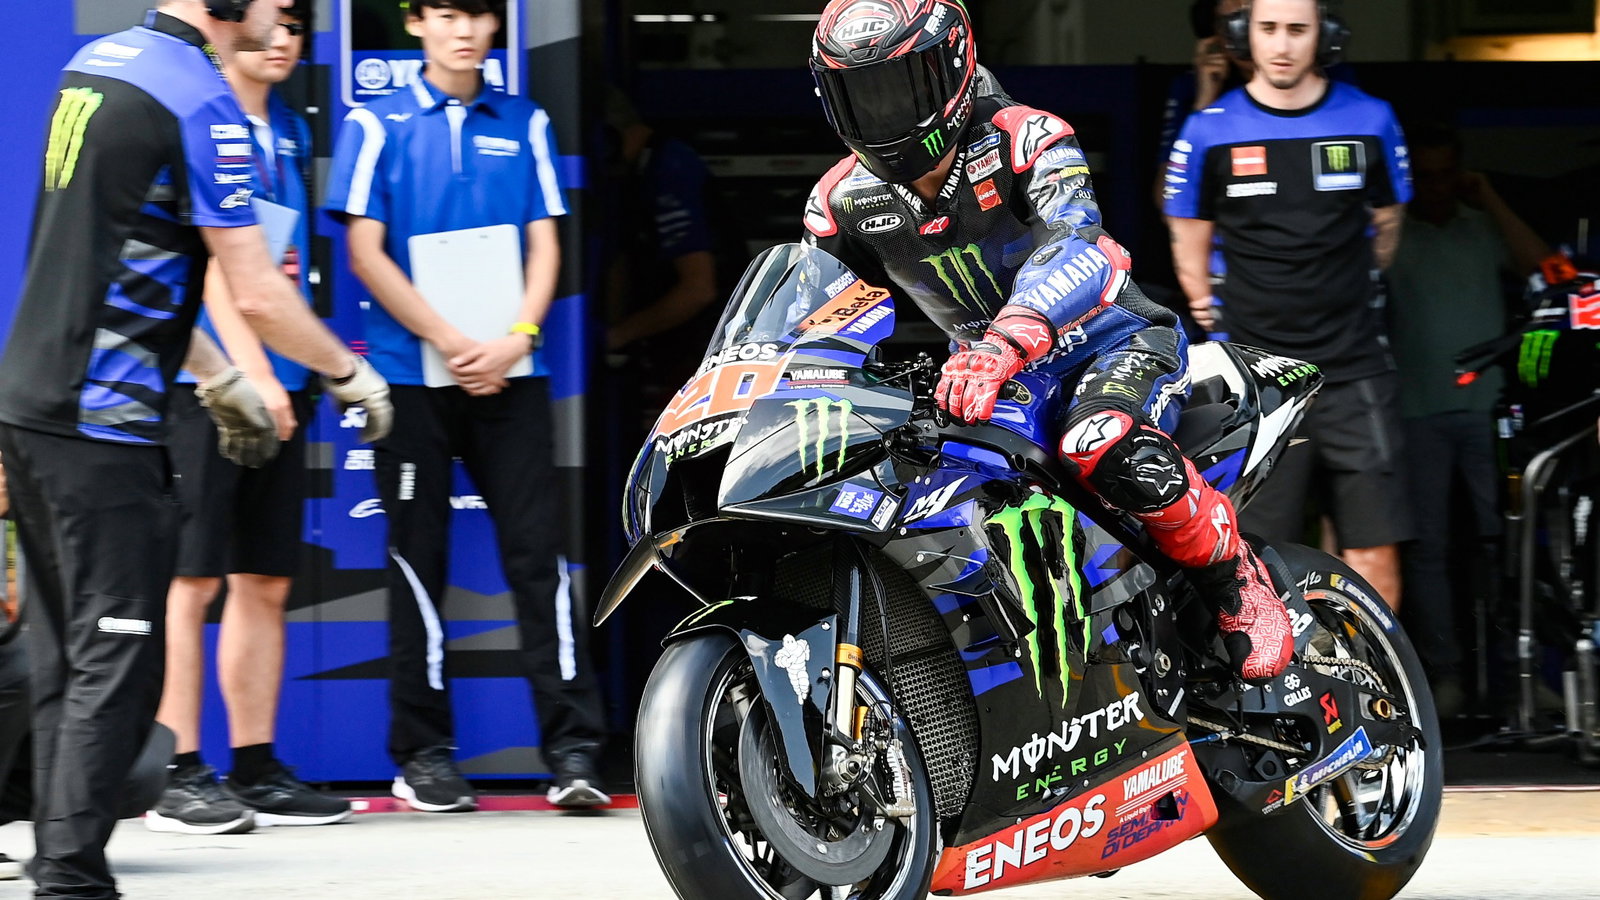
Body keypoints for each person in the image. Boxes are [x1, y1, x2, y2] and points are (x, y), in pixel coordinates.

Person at [0, 0, 391, 895]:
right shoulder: (201, 99)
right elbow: (254, 289)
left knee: (71, 658)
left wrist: (215, 377)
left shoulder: (100, 63)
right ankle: (70, 877)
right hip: (103, 425)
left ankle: (65, 861)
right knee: (117, 664)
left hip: (31, 405)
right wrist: (347, 375)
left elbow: (131, 247)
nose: (281, 13)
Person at [803, 0, 1293, 682]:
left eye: (899, 88)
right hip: (987, 378)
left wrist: (1008, 338)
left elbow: (1079, 241)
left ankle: (1234, 580)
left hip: (1109, 340)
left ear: (953, 67)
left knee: (1098, 442)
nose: (883, 115)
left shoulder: (1025, 137)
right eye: (862, 95)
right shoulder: (838, 203)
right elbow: (813, 316)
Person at [325, 0, 609, 811]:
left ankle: (574, 751)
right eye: (445, 13)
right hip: (413, 380)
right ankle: (424, 755)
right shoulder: (375, 124)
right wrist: (449, 339)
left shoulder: (525, 123)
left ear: (496, 27)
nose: (463, 29)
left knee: (539, 558)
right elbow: (364, 251)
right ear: (415, 22)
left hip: (513, 374)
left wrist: (515, 337)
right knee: (419, 560)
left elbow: (547, 242)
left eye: (478, 13)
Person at [147, 0, 354, 834]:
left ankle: (258, 765)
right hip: (211, 386)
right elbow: (214, 274)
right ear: (231, 29)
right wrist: (254, 373)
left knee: (263, 580)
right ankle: (176, 767)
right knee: (191, 580)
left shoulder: (292, 134)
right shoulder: (205, 116)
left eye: (298, 25)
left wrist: (291, 373)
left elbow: (278, 268)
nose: (283, 38)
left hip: (282, 381)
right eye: (272, 21)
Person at [1164, 0, 1413, 609]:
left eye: (1297, 30)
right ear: (1245, 34)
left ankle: (1381, 697)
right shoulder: (1209, 129)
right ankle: (1279, 698)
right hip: (1258, 377)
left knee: (1373, 548)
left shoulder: (1371, 119)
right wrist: (1212, 310)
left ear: (1324, 36)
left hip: (1356, 370)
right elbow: (1187, 241)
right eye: (1269, 29)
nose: (1282, 45)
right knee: (1254, 553)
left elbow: (1386, 230)